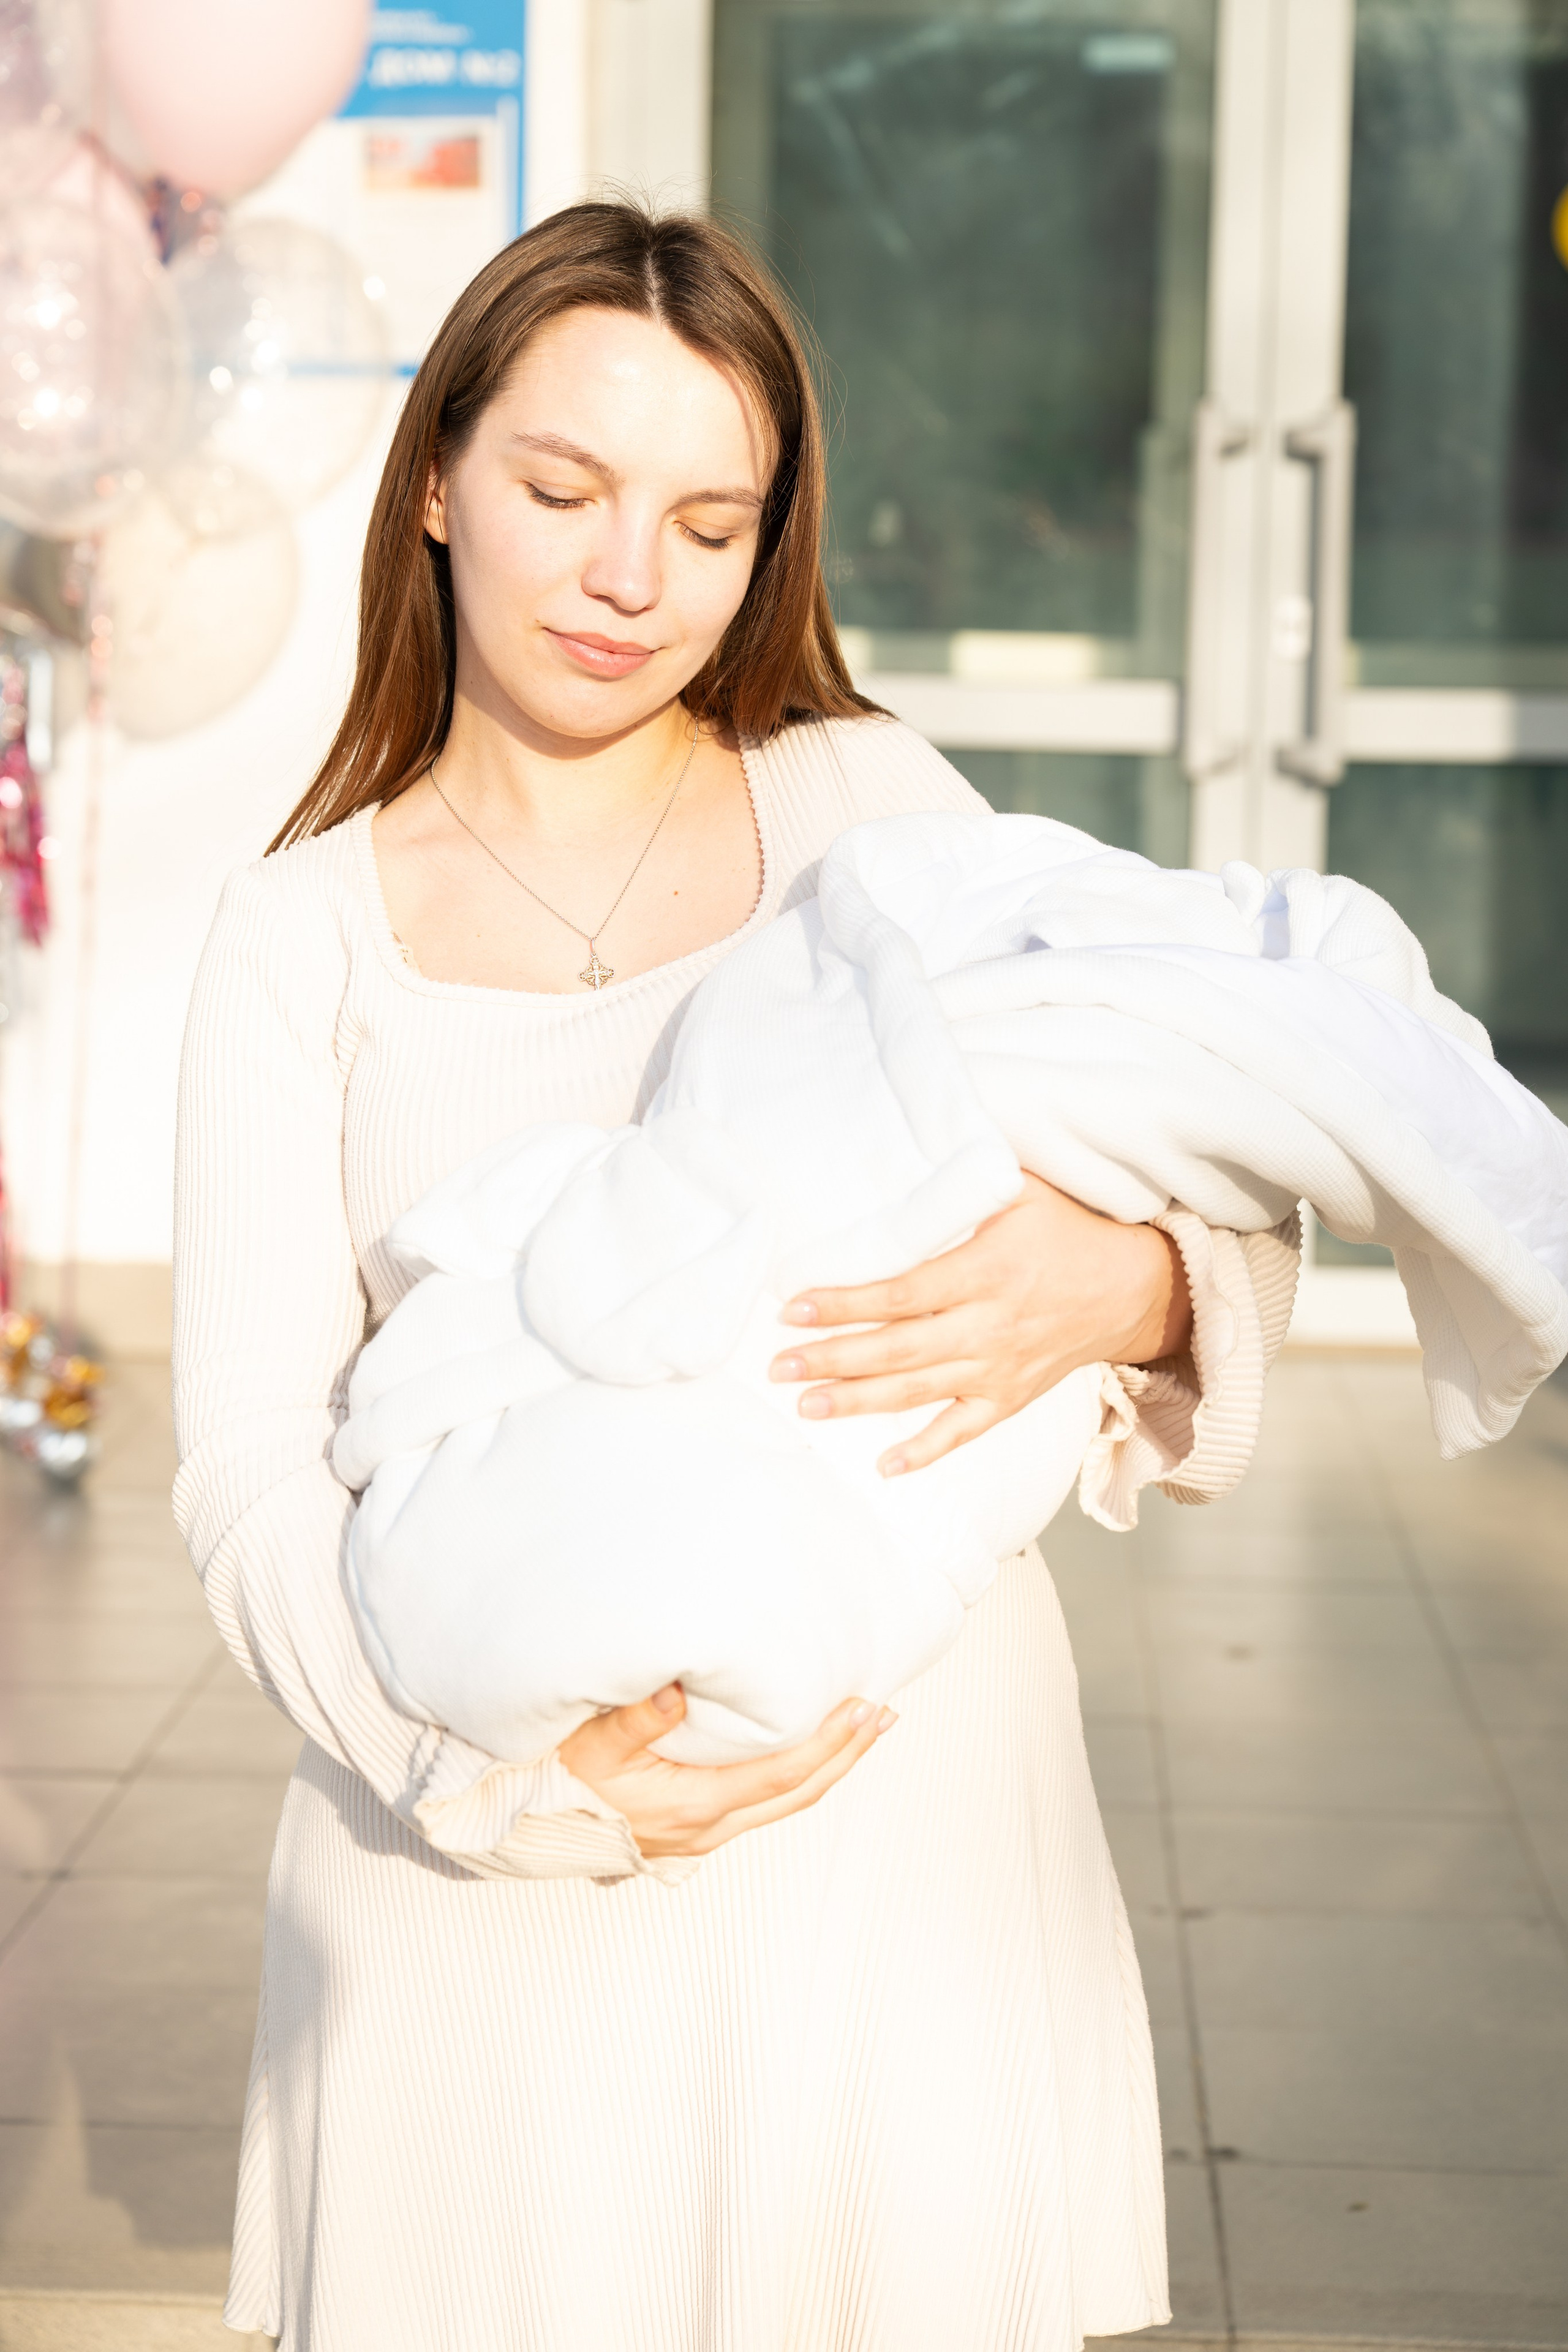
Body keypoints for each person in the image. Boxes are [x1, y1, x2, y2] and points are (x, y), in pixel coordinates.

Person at [173, 202, 1300, 2352]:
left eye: (709, 524)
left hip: (898, 1861)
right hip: (478, 1875)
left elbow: (1220, 1154)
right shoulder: (296, 936)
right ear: (438, 478)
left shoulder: (869, 809)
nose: (632, 579)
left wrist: (1137, 1286)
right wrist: (500, 1791)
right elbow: (241, 1464)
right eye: (563, 490)